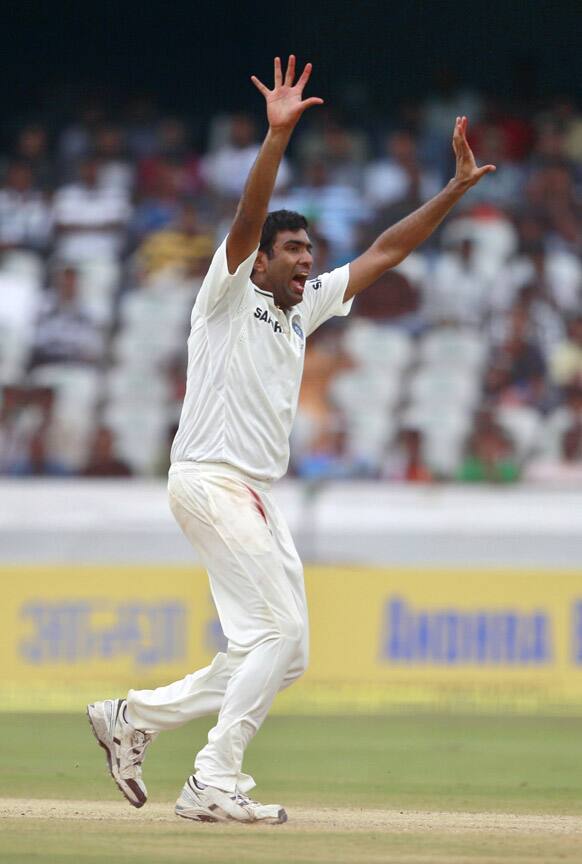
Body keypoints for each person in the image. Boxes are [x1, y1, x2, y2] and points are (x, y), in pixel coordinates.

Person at [87, 56, 494, 825]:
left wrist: (455, 190)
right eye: (295, 253)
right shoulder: (228, 291)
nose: (307, 263)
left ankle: (133, 717)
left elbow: (384, 254)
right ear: (262, 259)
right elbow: (249, 214)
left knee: (285, 653)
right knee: (273, 631)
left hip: (254, 493)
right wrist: (276, 138)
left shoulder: (303, 309)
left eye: (310, 253)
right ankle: (213, 775)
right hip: (210, 477)